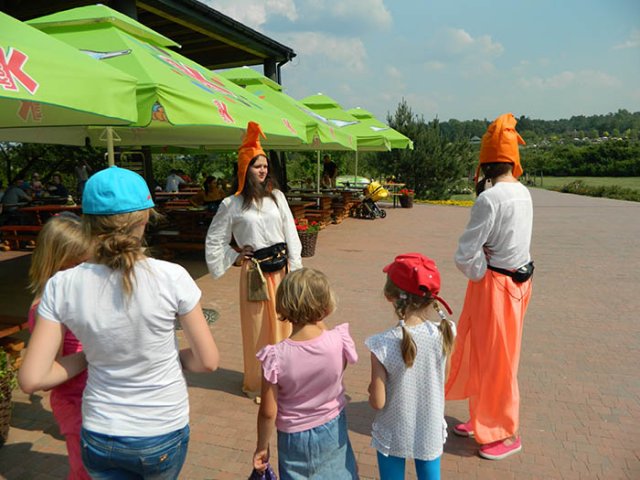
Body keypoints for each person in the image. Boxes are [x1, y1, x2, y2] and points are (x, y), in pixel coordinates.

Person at [19, 166, 220, 479]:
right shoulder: (173, 277)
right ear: (144, 219)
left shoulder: (61, 285)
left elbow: (32, 379)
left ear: (86, 223)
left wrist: (89, 357)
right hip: (161, 429)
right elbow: (207, 361)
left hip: (101, 431)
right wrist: (171, 358)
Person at [445, 113, 534, 460]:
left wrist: (481, 269)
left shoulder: (490, 198)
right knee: (492, 355)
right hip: (516, 282)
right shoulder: (523, 193)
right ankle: (485, 417)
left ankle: (506, 430)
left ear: (484, 162)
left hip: (495, 285)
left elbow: (465, 254)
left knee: (495, 359)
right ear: (513, 160)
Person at [205, 121, 302, 402]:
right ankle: (259, 384)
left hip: (281, 270)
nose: (263, 170)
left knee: (284, 325)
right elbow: (215, 239)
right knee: (258, 328)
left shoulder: (277, 198)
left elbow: (291, 232)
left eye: (265, 166)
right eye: (257, 166)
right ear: (245, 169)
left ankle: (284, 381)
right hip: (255, 273)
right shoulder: (232, 204)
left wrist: (295, 268)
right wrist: (235, 256)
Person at [253, 268, 358, 479]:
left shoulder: (276, 357)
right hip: (334, 424)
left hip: (295, 434)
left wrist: (262, 446)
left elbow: (268, 411)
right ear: (326, 305)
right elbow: (339, 369)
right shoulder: (338, 340)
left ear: (283, 304)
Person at [366, 253, 456, 480]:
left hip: (393, 428)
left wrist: (371, 390)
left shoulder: (382, 343)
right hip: (429, 425)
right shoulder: (444, 332)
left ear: (390, 296)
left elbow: (378, 402)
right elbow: (443, 378)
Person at [27, 213, 91, 480]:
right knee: (85, 471)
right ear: (55, 263)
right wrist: (94, 353)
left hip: (98, 398)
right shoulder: (45, 309)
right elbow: (46, 373)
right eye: (76, 265)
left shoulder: (82, 294)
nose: (85, 272)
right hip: (76, 403)